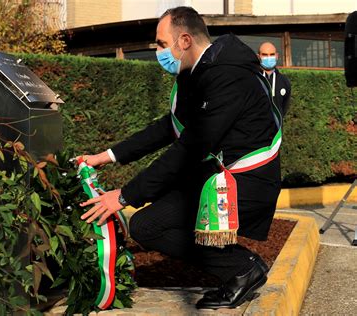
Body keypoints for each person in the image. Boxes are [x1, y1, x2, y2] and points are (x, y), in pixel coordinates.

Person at [79, 6, 282, 309]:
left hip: (248, 182)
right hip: (221, 173)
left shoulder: (228, 76)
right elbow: (167, 127)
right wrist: (106, 156)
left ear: (184, 40)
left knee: (147, 226)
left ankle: (242, 268)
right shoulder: (200, 72)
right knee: (146, 225)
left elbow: (191, 147)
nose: (158, 51)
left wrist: (124, 196)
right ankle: (237, 269)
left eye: (161, 44)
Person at [258, 42, 292, 117]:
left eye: (272, 54)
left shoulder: (284, 81)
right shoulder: (253, 79)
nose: (268, 57)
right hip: (256, 127)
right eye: (264, 55)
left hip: (277, 127)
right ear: (258, 56)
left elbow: (284, 107)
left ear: (276, 56)